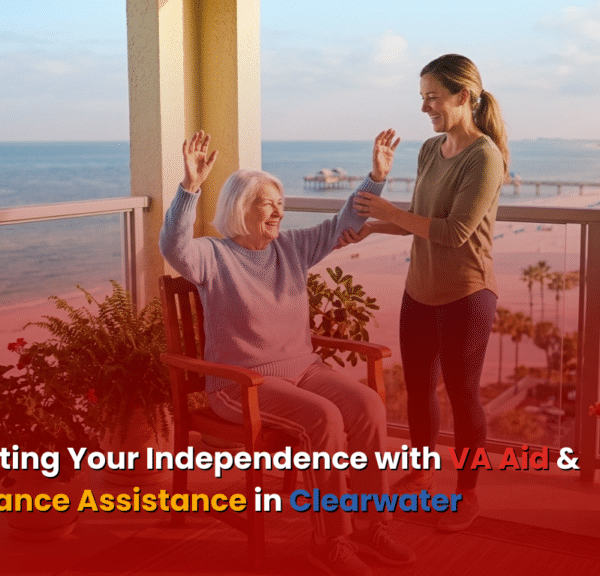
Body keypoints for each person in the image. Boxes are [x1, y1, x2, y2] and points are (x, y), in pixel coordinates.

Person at [160, 130, 414, 576]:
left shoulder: (291, 248)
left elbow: (343, 226)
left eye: (280, 203)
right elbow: (173, 247)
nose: (279, 210)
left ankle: (373, 523)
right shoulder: (212, 257)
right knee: (325, 418)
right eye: (268, 203)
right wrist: (189, 189)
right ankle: (330, 542)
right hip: (241, 385)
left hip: (302, 370)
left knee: (369, 405)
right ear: (242, 209)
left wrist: (376, 177)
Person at [342, 54, 509, 532]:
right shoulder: (429, 150)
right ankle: (417, 476)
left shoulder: (485, 157)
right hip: (420, 291)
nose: (425, 108)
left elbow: (454, 232)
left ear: (464, 97)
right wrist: (374, 226)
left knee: (462, 395)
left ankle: (467, 493)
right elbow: (419, 220)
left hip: (466, 295)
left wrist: (387, 210)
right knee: (418, 393)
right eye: (422, 98)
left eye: (433, 97)